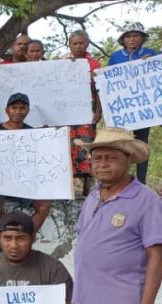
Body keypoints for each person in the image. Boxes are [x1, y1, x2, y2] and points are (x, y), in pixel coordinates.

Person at [72, 128, 162, 304]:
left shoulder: (146, 200)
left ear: (128, 160)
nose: (102, 164)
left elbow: (156, 256)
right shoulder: (93, 197)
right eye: (97, 159)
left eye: (110, 158)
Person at [0, 93, 52, 231]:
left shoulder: (32, 133)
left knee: (44, 205)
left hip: (22, 180)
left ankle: (25, 236)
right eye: (14, 108)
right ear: (6, 110)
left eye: (22, 108)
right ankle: (6, 235)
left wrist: (51, 137)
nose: (18, 112)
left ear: (28, 110)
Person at [108, 22, 157, 184]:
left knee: (142, 146)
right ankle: (121, 179)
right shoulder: (115, 57)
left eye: (135, 35)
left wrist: (153, 62)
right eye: (128, 36)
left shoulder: (152, 53)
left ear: (142, 38)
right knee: (122, 146)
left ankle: (141, 182)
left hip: (143, 110)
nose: (131, 39)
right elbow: (108, 81)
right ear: (123, 39)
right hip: (123, 111)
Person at [64, 30, 102, 195]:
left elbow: (100, 90)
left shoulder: (94, 65)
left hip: (87, 112)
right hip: (66, 113)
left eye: (81, 43)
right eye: (75, 43)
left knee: (86, 147)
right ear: (69, 45)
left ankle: (87, 190)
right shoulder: (61, 63)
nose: (78, 46)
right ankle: (69, 188)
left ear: (87, 44)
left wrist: (99, 111)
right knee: (67, 147)